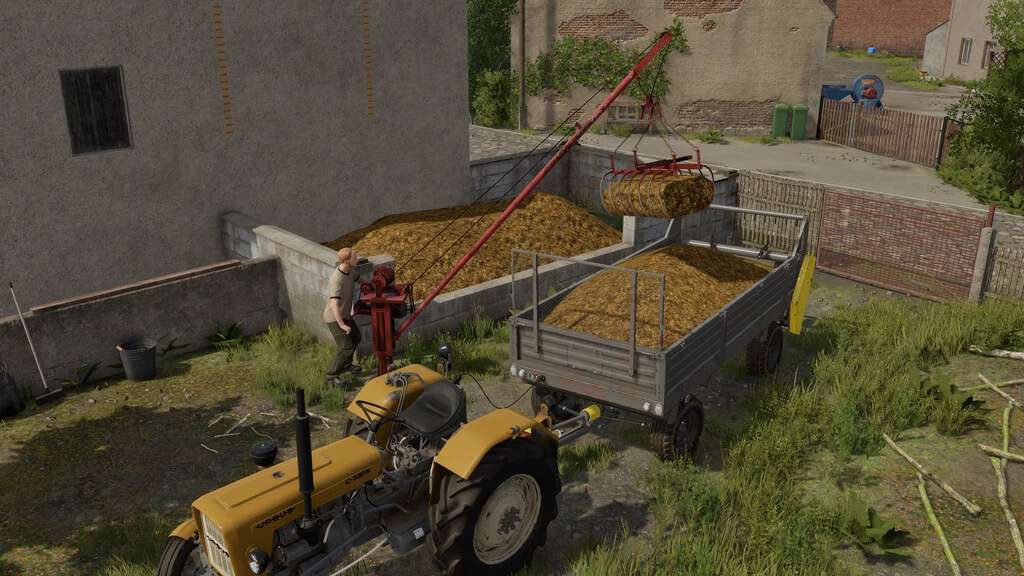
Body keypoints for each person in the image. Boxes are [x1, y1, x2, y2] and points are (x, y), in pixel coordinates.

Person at [324, 247, 362, 385]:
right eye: (354, 258)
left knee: (356, 337)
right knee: (346, 348)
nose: (357, 259)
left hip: (345, 315)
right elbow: (334, 304)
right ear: (346, 261)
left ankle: (346, 365)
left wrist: (371, 285)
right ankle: (331, 376)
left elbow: (359, 279)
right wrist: (342, 325)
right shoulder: (337, 279)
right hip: (335, 318)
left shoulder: (350, 271)